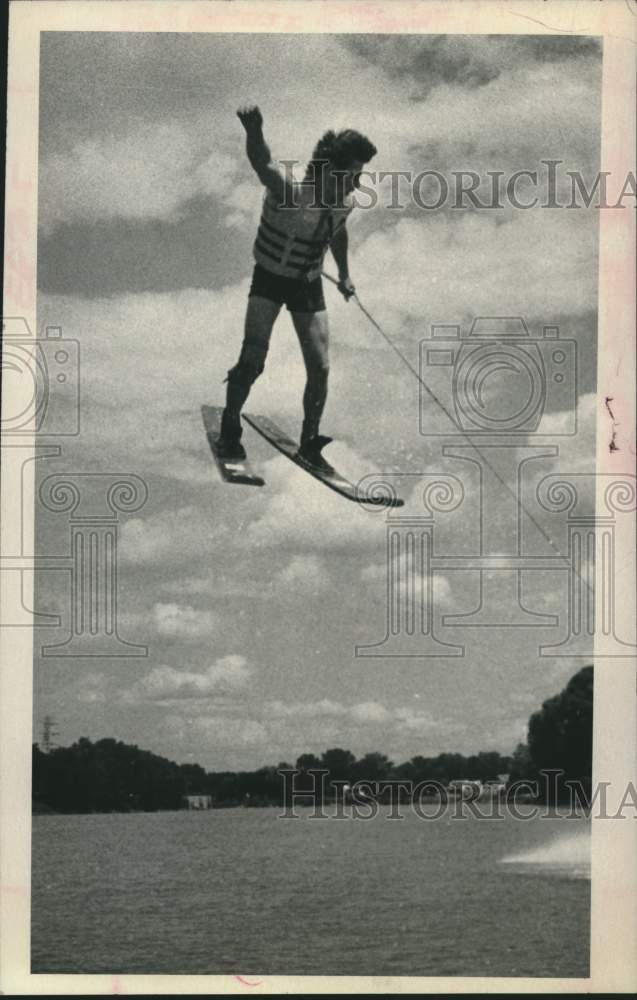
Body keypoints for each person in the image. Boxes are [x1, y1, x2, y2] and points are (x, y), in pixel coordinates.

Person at [217, 105, 377, 470]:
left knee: (321, 368)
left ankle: (309, 441)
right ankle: (230, 422)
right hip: (271, 278)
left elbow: (337, 233)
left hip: (306, 283)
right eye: (353, 176)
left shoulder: (343, 205)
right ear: (331, 172)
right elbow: (262, 164)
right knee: (252, 360)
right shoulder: (290, 191)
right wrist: (254, 131)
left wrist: (345, 274)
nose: (356, 185)